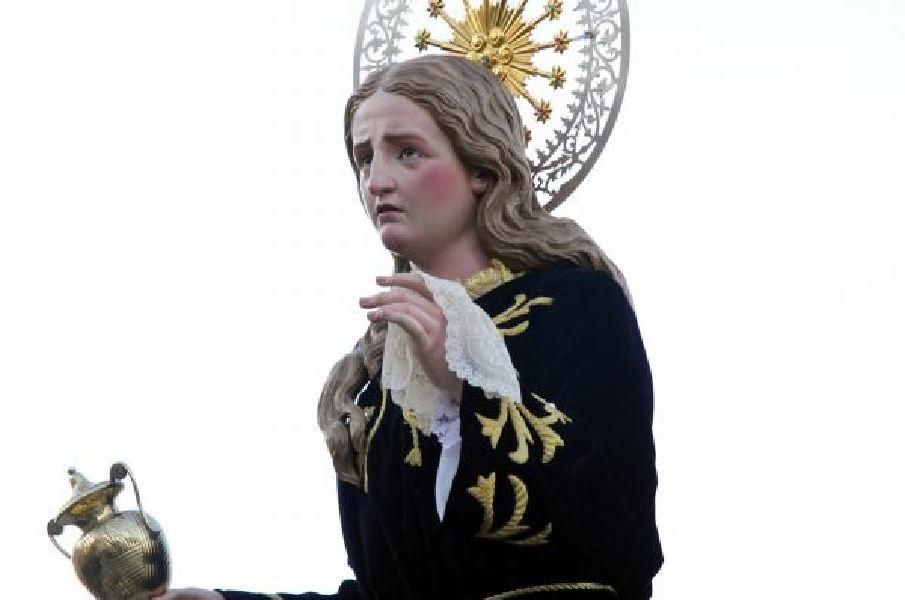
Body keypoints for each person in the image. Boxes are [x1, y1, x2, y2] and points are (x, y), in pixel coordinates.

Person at [159, 54, 662, 600]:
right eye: (363, 158)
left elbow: (613, 515)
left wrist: (463, 389)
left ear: (481, 168)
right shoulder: (377, 376)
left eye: (407, 153)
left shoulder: (572, 303)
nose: (376, 181)